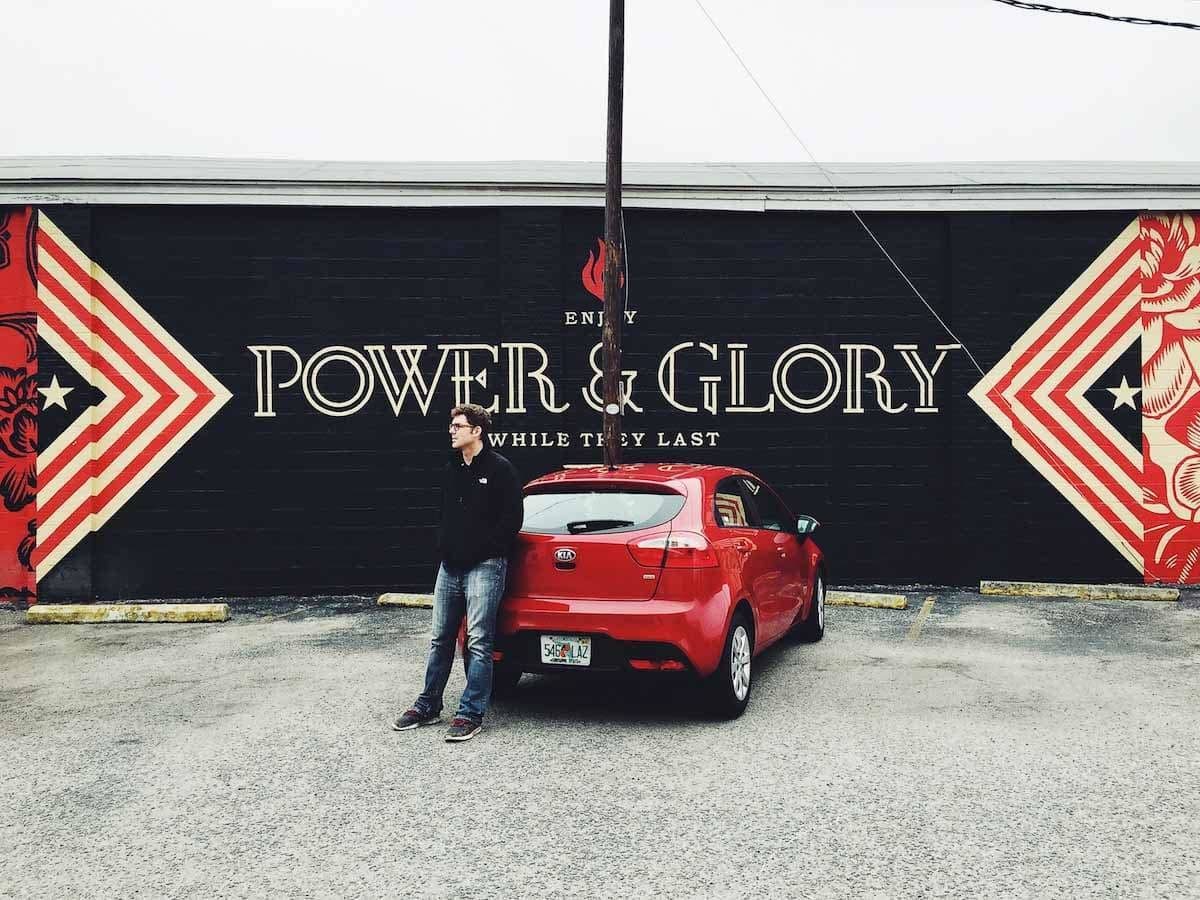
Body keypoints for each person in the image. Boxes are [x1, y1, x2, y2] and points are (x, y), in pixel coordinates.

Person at [393, 403, 523, 742]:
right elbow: (446, 516)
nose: (452, 430)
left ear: (477, 431)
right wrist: (445, 547)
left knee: (478, 642)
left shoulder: (500, 470)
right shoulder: (451, 469)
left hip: (485, 567)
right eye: (451, 425)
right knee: (440, 640)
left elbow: (511, 522)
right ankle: (428, 706)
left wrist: (483, 550)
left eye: (459, 425)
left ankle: (470, 714)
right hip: (449, 568)